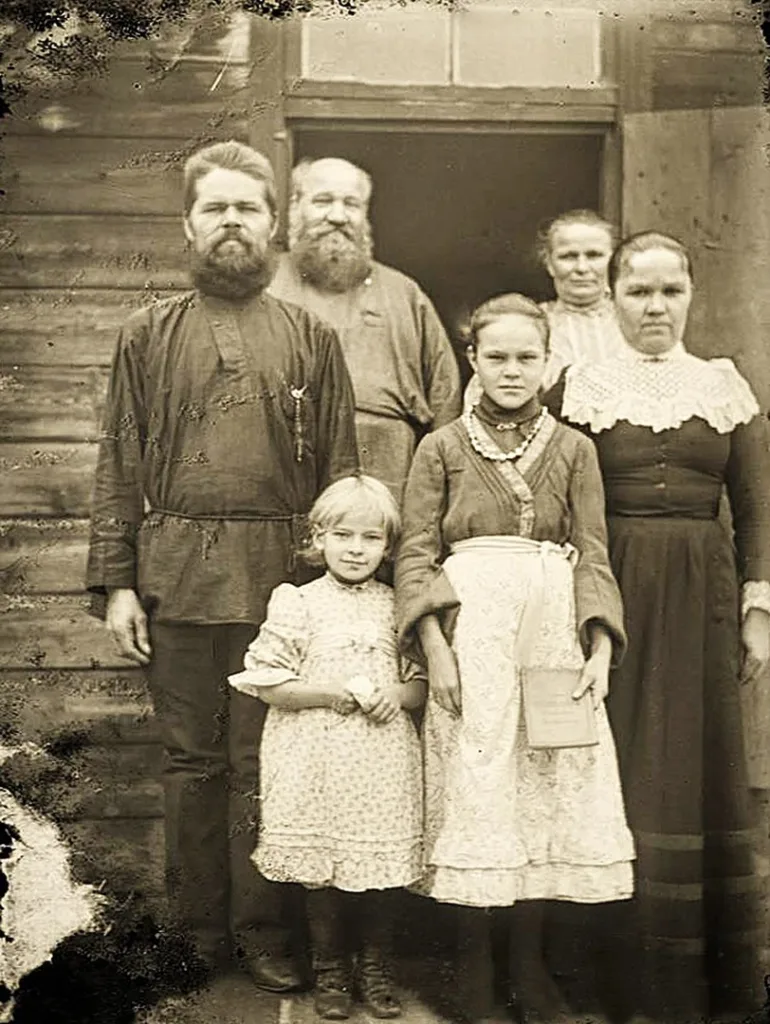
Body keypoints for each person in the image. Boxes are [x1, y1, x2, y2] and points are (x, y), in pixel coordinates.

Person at [86, 140, 359, 993]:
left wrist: (329, 594)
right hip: (175, 579)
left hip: (280, 585)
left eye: (248, 208)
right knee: (192, 763)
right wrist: (119, 583)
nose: (232, 222)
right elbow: (118, 462)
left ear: (273, 225)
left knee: (264, 761)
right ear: (189, 225)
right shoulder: (146, 336)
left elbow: (342, 475)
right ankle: (196, 936)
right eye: (216, 209)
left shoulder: (312, 337)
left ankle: (263, 934)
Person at [543, 231, 770, 1023]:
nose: (655, 307)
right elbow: (554, 501)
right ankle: (608, 972)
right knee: (618, 755)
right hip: (614, 593)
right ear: (612, 298)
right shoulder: (578, 387)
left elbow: (755, 509)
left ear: (690, 296)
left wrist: (757, 610)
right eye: (638, 291)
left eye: (670, 291)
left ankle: (694, 977)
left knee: (696, 756)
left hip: (703, 595)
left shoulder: (724, 386)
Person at [395, 294, 634, 1024]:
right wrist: (435, 649)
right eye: (495, 356)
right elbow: (416, 552)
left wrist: (599, 646)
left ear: (549, 363)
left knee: (542, 785)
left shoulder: (575, 449)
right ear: (472, 359)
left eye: (526, 357)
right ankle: (472, 969)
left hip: (553, 628)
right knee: (479, 782)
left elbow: (593, 550)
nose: (511, 370)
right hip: (472, 633)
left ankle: (529, 970)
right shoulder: (440, 447)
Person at [229, 475, 425, 1021]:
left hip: (381, 757)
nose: (356, 549)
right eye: (343, 536)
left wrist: (395, 695)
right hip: (314, 757)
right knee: (323, 869)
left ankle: (375, 968)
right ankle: (331, 970)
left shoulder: (397, 606)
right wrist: (330, 694)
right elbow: (269, 684)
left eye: (370, 538)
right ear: (318, 538)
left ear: (388, 546)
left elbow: (419, 685)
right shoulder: (297, 601)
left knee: (380, 864)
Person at [268, 156, 461, 503]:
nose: (337, 216)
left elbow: (445, 395)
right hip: (281, 459)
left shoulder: (404, 293)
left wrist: (436, 486)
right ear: (296, 207)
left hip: (386, 468)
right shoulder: (266, 284)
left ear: (365, 215)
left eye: (351, 204)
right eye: (323, 201)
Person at [464, 209, 627, 409]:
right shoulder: (527, 324)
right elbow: (483, 400)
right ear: (549, 264)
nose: (582, 268)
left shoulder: (637, 323)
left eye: (594, 255)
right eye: (568, 256)